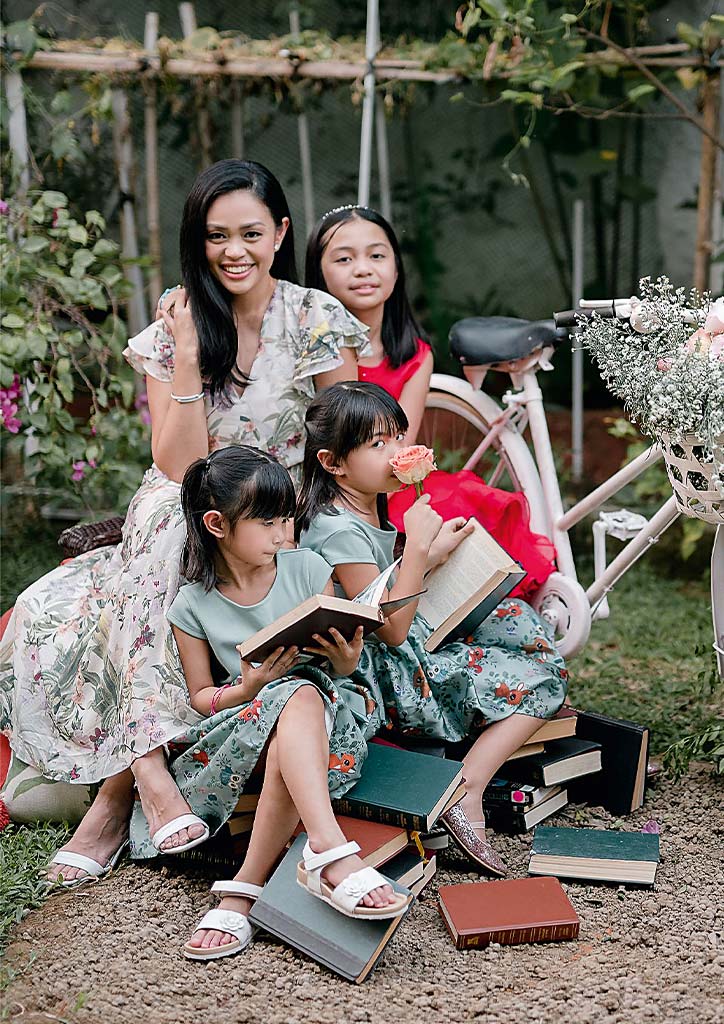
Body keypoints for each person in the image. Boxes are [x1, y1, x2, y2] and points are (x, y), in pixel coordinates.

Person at [0, 160, 370, 885]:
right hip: (186, 497)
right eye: (216, 236)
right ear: (196, 241)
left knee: (174, 548)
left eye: (251, 234)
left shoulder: (316, 318)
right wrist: (193, 356)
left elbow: (346, 439)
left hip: (277, 504)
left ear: (281, 233)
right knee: (173, 529)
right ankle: (141, 780)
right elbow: (176, 464)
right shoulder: (174, 323)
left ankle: (114, 796)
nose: (234, 251)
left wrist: (325, 522)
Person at [296, 382, 569, 875]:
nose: (396, 453)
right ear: (333, 463)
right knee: (546, 680)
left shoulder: (360, 505)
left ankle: (493, 726)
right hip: (386, 671)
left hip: (405, 633)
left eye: (399, 437)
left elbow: (386, 587)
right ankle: (468, 789)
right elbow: (391, 631)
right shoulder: (334, 529)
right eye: (378, 445)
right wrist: (419, 549)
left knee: (516, 620)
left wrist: (434, 553)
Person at [163, 445, 407, 961]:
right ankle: (327, 850)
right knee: (289, 696)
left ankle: (246, 886)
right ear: (217, 524)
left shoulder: (307, 567)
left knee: (299, 692)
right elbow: (202, 695)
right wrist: (247, 689)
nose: (285, 535)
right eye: (269, 523)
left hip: (326, 717)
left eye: (288, 520)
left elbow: (343, 671)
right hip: (243, 727)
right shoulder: (192, 604)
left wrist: (345, 659)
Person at [305, 204, 556, 600]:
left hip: (391, 475)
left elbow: (403, 442)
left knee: (472, 506)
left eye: (376, 255)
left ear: (396, 267)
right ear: (318, 273)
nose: (363, 268)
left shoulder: (417, 354)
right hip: (351, 480)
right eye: (343, 258)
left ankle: (477, 604)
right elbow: (348, 440)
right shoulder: (327, 343)